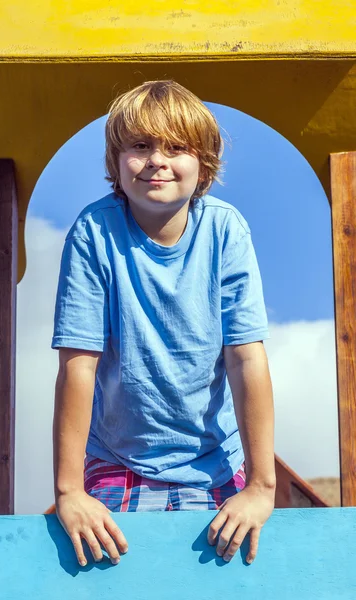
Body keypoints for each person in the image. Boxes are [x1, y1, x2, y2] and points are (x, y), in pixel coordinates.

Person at [51, 79, 276, 569]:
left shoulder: (224, 229)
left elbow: (245, 357)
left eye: (176, 147)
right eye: (139, 146)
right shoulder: (94, 233)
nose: (157, 160)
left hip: (213, 461)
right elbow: (79, 364)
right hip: (120, 457)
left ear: (205, 164)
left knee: (225, 570)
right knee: (114, 569)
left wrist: (261, 486)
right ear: (115, 162)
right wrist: (69, 490)